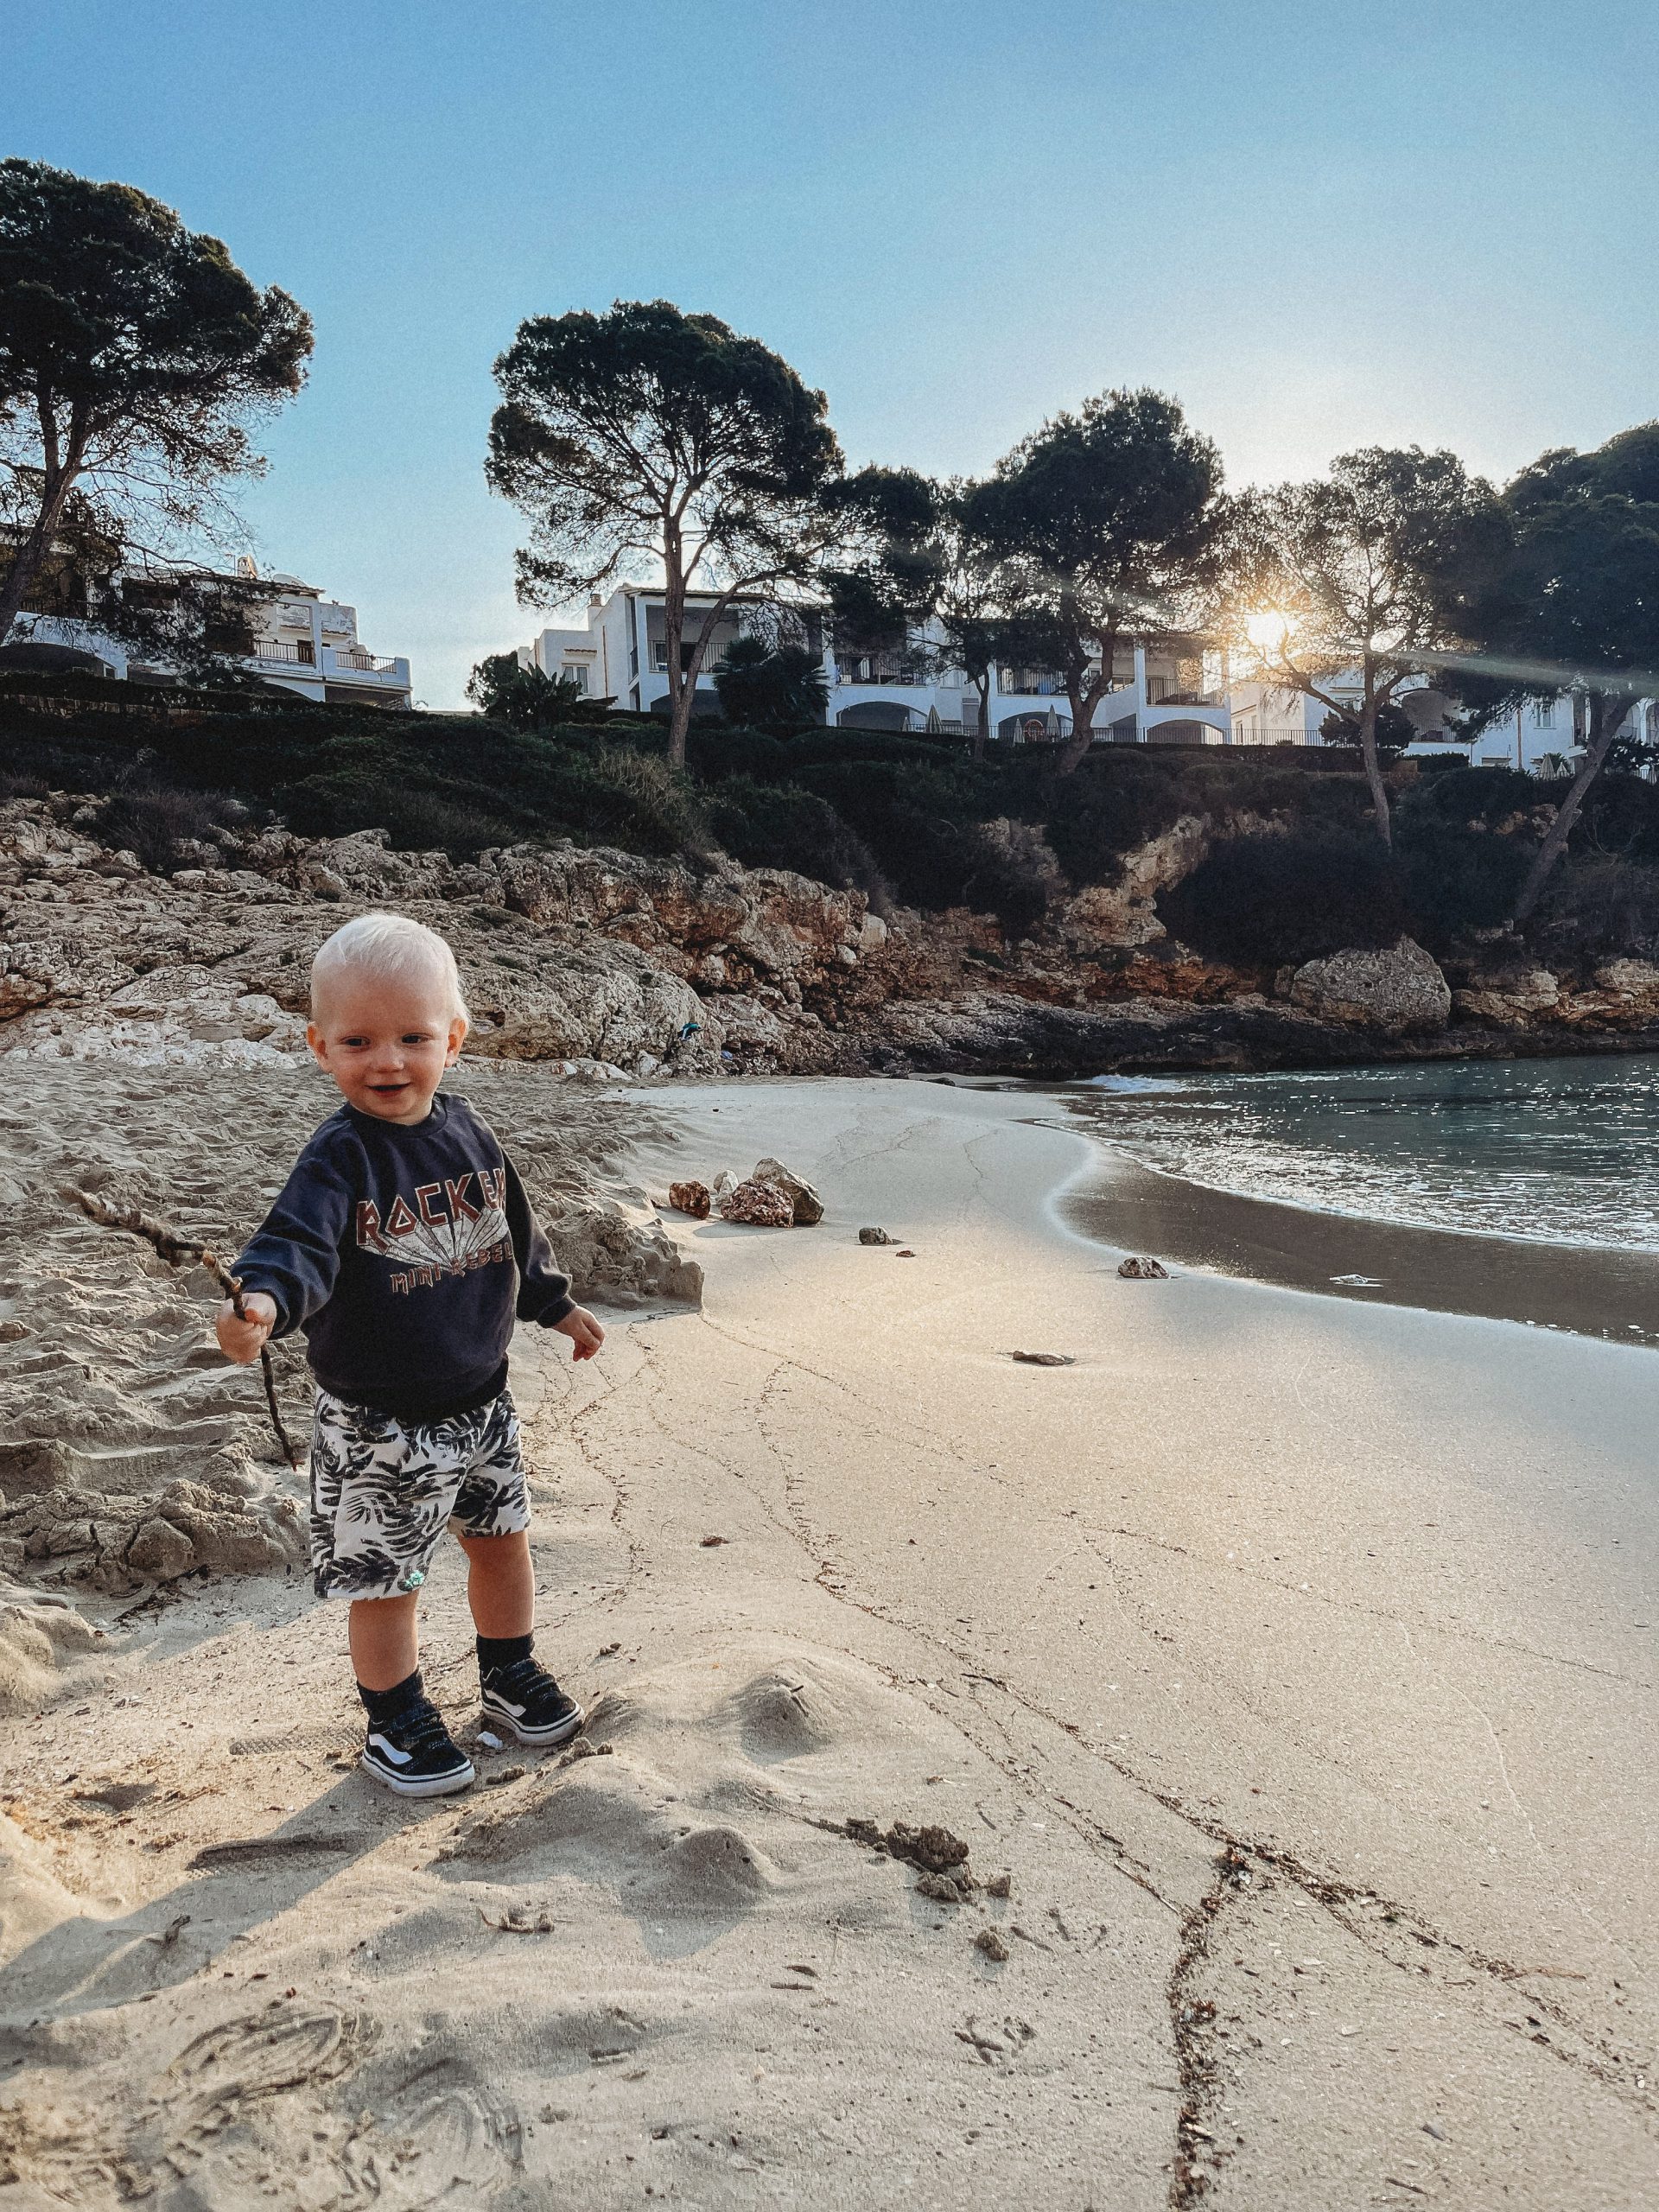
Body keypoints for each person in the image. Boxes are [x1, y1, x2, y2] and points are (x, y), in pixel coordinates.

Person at [216, 911, 604, 1796]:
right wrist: (260, 1307)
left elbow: (514, 1231)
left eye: (413, 1038)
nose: (387, 1061)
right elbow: (292, 1247)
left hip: (483, 1401)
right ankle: (395, 1721)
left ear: (453, 1039)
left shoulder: (471, 1134)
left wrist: (555, 1305)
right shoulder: (338, 1159)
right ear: (320, 1046)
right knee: (388, 1581)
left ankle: (509, 1673)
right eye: (358, 1040)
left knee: (503, 1545)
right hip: (378, 1423)